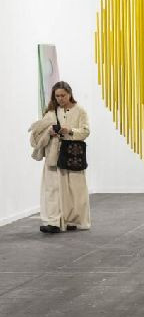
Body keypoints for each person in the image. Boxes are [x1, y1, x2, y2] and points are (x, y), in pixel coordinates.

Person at [28, 81, 91, 233]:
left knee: (74, 191)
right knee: (52, 190)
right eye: (57, 96)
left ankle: (72, 220)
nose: (60, 98)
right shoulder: (50, 112)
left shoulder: (80, 111)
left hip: (72, 156)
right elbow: (37, 136)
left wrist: (69, 130)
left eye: (63, 95)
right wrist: (49, 132)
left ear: (69, 94)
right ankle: (53, 222)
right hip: (53, 156)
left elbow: (85, 131)